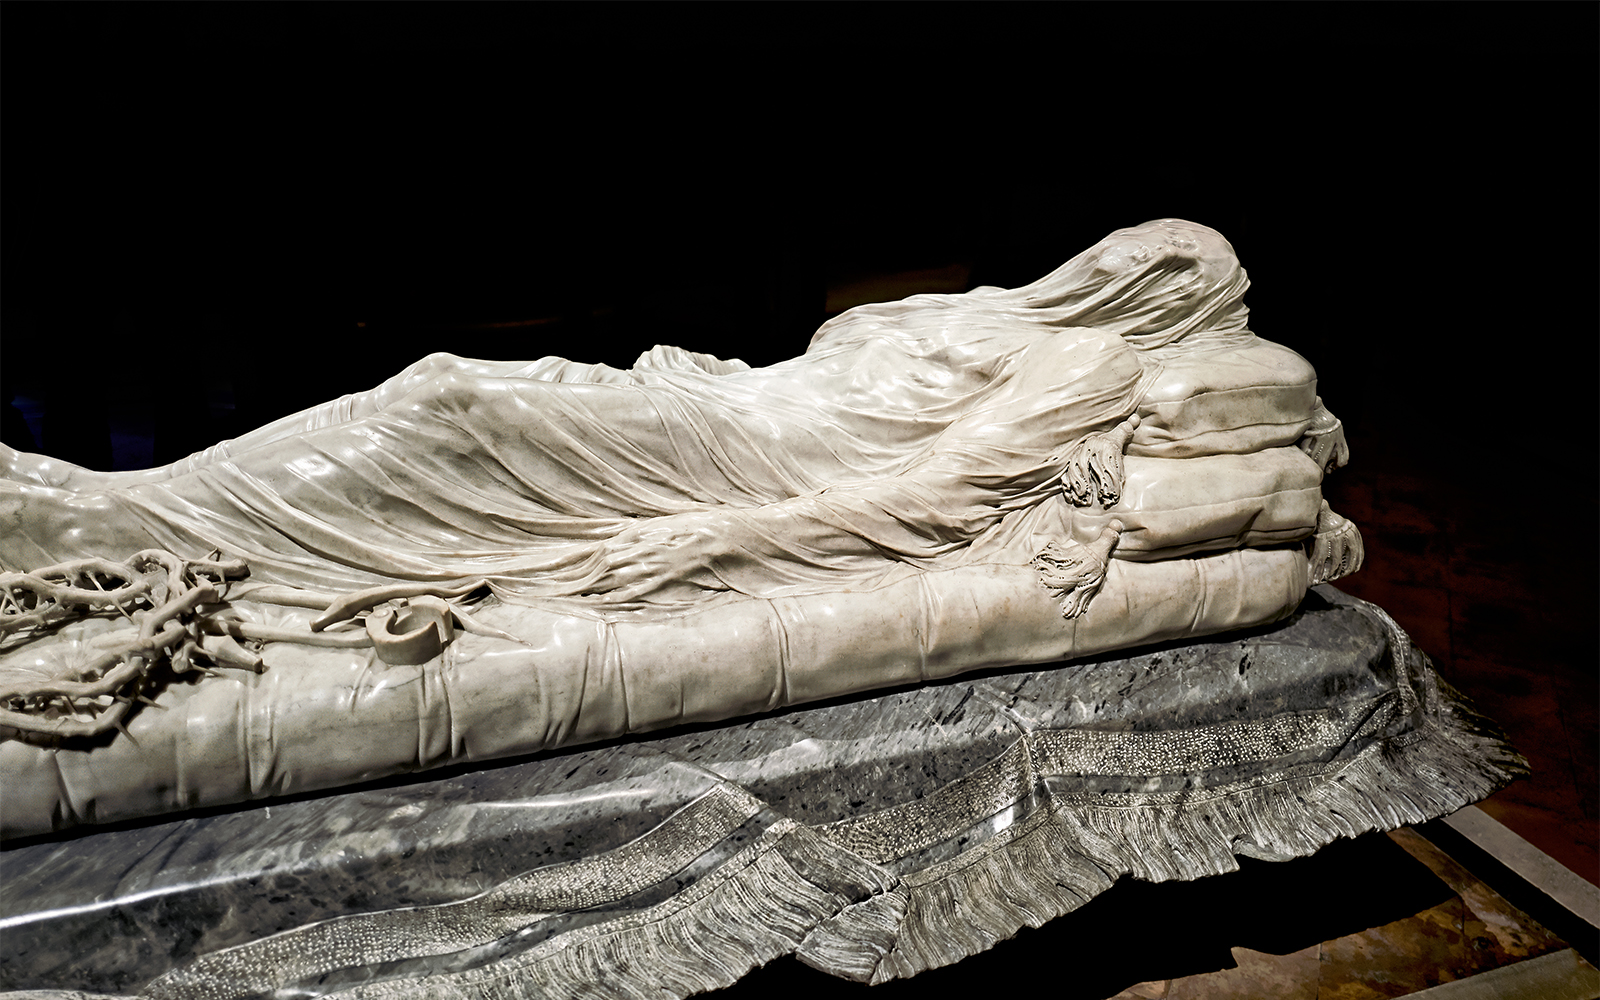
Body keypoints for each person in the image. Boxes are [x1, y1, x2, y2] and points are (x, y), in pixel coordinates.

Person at [0, 220, 1318, 615]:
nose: (1114, 264)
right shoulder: (1006, 311)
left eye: (1158, 269)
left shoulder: (1081, 376)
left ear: (1170, 302)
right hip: (716, 404)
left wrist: (718, 546)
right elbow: (827, 360)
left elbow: (936, 497)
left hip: (741, 465)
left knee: (451, 405)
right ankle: (113, 513)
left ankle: (116, 523)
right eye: (1131, 244)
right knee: (446, 396)